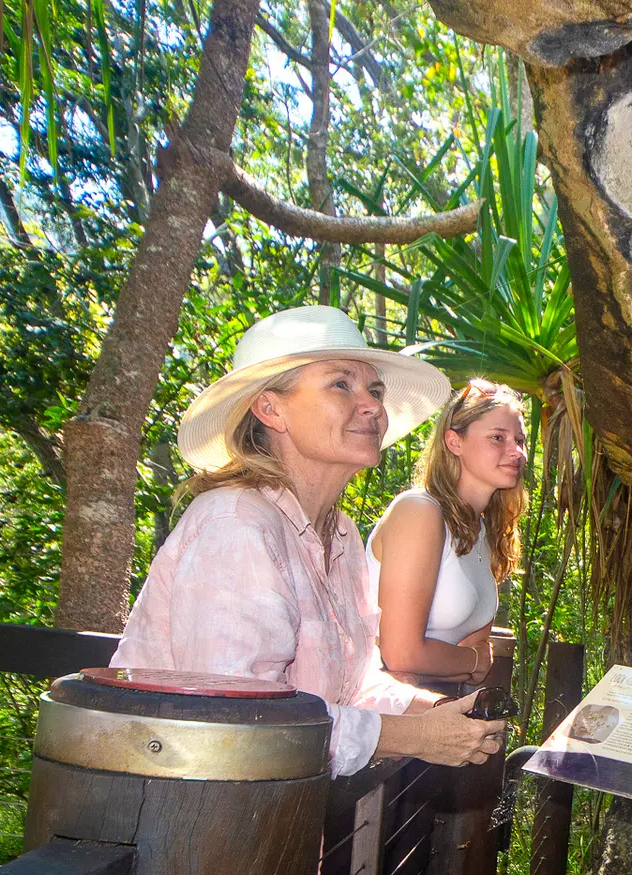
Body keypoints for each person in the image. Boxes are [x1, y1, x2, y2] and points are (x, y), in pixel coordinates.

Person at [111, 305, 503, 775]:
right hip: (174, 819)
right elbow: (242, 718)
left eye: (375, 389)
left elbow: (348, 688)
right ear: (270, 408)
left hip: (273, 817)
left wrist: (432, 711)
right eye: (341, 384)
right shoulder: (236, 523)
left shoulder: (340, 534)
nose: (374, 405)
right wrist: (414, 737)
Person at [369, 378, 528, 683]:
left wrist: (469, 660)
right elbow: (401, 655)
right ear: (454, 442)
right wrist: (473, 660)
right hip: (381, 712)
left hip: (436, 705)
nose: (516, 452)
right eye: (498, 437)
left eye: (519, 440)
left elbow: (472, 656)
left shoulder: (484, 530)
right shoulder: (419, 511)